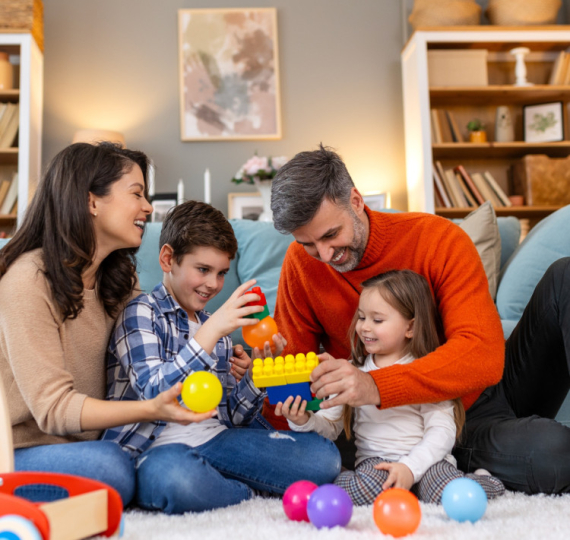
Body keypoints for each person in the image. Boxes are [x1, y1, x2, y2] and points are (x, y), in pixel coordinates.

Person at [267, 143, 570, 495]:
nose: (324, 255)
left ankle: (444, 466)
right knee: (556, 453)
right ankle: (441, 471)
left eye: (331, 235)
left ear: (355, 200)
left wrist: (378, 386)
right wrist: (275, 382)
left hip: (469, 406)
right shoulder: (301, 266)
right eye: (308, 244)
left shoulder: (438, 239)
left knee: (565, 276)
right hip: (377, 430)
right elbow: (297, 387)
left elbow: (483, 357)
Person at [0, 142, 214, 507]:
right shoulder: (28, 281)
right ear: (91, 202)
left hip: (96, 444)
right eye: (136, 193)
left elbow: (156, 351)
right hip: (26, 451)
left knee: (142, 460)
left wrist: (222, 352)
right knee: (112, 467)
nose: (148, 207)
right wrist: (150, 409)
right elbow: (54, 410)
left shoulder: (117, 280)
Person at [102, 200, 341, 514]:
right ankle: (244, 493)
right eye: (203, 270)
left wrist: (257, 372)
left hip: (215, 441)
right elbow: (153, 391)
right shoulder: (142, 313)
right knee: (176, 478)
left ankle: (217, 484)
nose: (213, 285)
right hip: (155, 450)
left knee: (324, 459)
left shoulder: (215, 327)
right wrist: (211, 331)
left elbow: (232, 417)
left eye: (221, 273)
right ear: (167, 258)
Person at [277, 270, 505, 505]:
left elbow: (442, 432)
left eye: (377, 320)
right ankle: (351, 477)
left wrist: (409, 467)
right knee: (361, 491)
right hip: (377, 463)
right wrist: (303, 420)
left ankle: (484, 481)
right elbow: (330, 427)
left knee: (447, 493)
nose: (365, 327)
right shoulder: (350, 371)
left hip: (428, 463)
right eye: (362, 317)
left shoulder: (425, 371)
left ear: (411, 328)